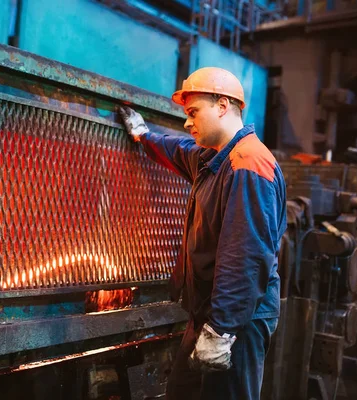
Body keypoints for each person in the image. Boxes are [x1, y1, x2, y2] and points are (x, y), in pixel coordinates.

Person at [118, 67, 286, 399]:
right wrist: (142, 135)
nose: (187, 121)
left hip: (238, 321)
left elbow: (246, 259)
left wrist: (221, 332)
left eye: (193, 112)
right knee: (182, 391)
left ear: (222, 105)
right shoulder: (214, 159)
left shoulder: (248, 166)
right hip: (210, 313)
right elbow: (177, 150)